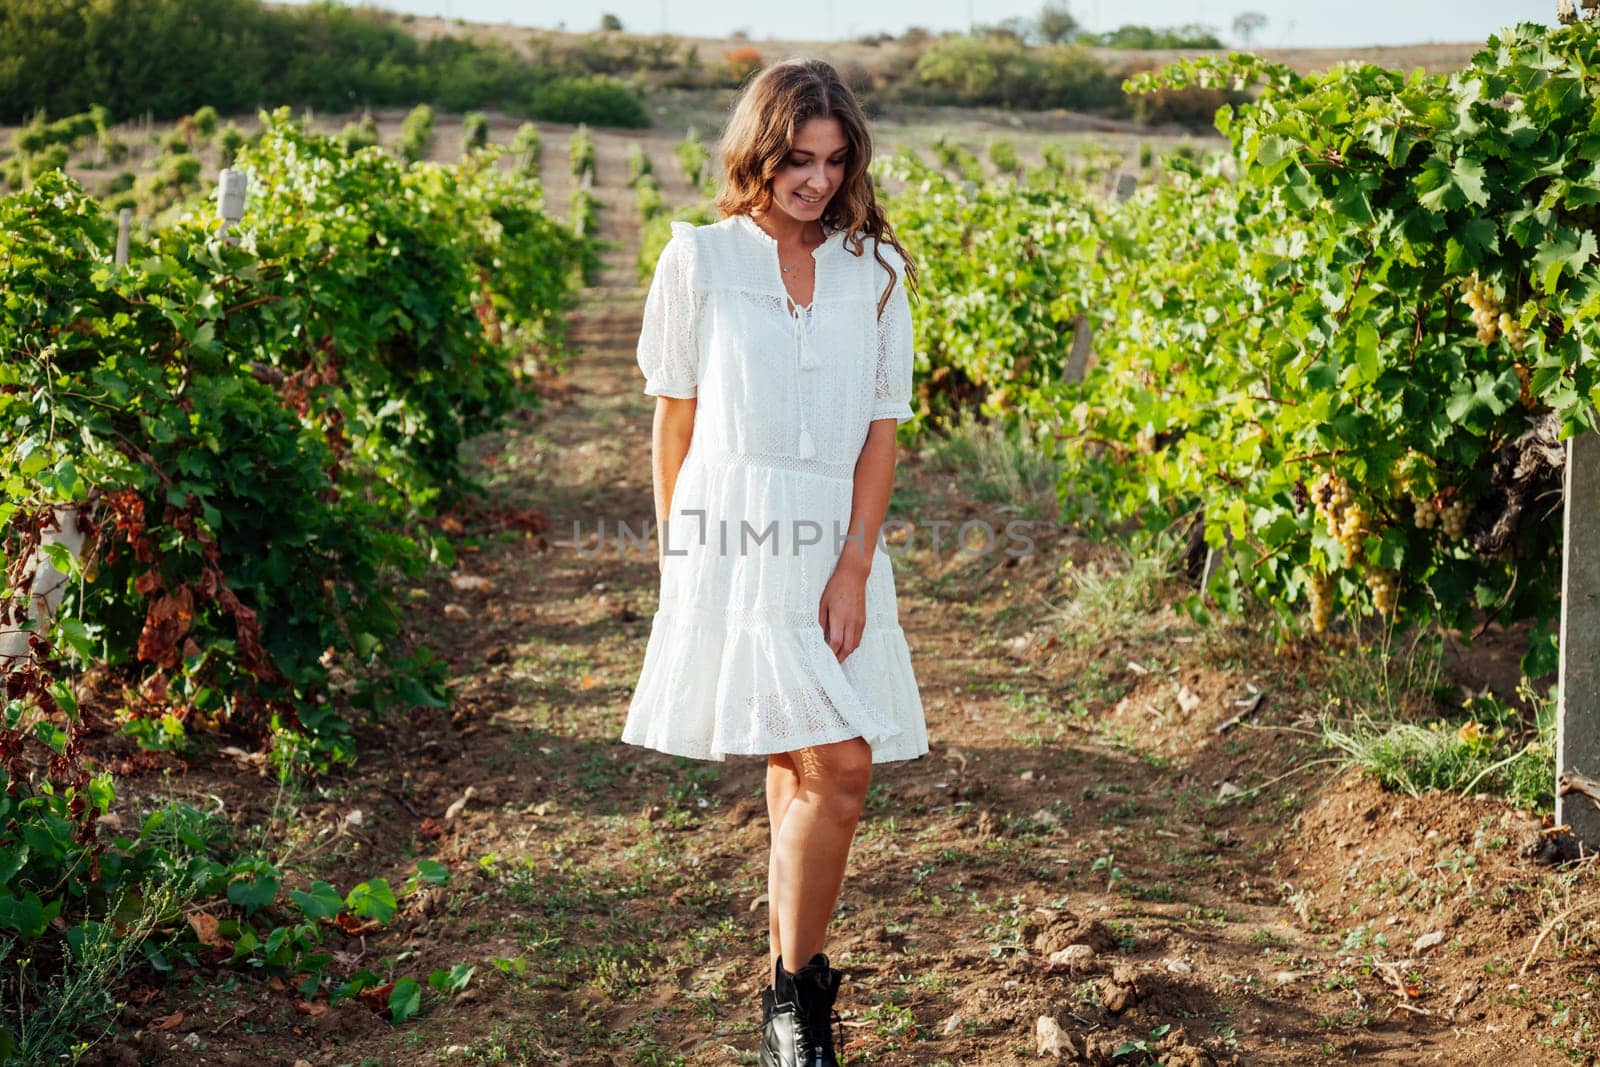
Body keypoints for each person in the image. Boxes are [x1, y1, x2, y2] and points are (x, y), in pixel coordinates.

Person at [620, 57, 929, 1067]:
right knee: (825, 764)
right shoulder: (700, 260)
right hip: (731, 534)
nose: (817, 180)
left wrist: (852, 563)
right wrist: (682, 561)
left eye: (835, 161)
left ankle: (788, 1002)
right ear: (760, 150)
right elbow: (676, 418)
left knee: (823, 767)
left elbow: (881, 432)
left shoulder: (874, 274)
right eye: (798, 158)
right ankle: (800, 1008)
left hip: (831, 540)